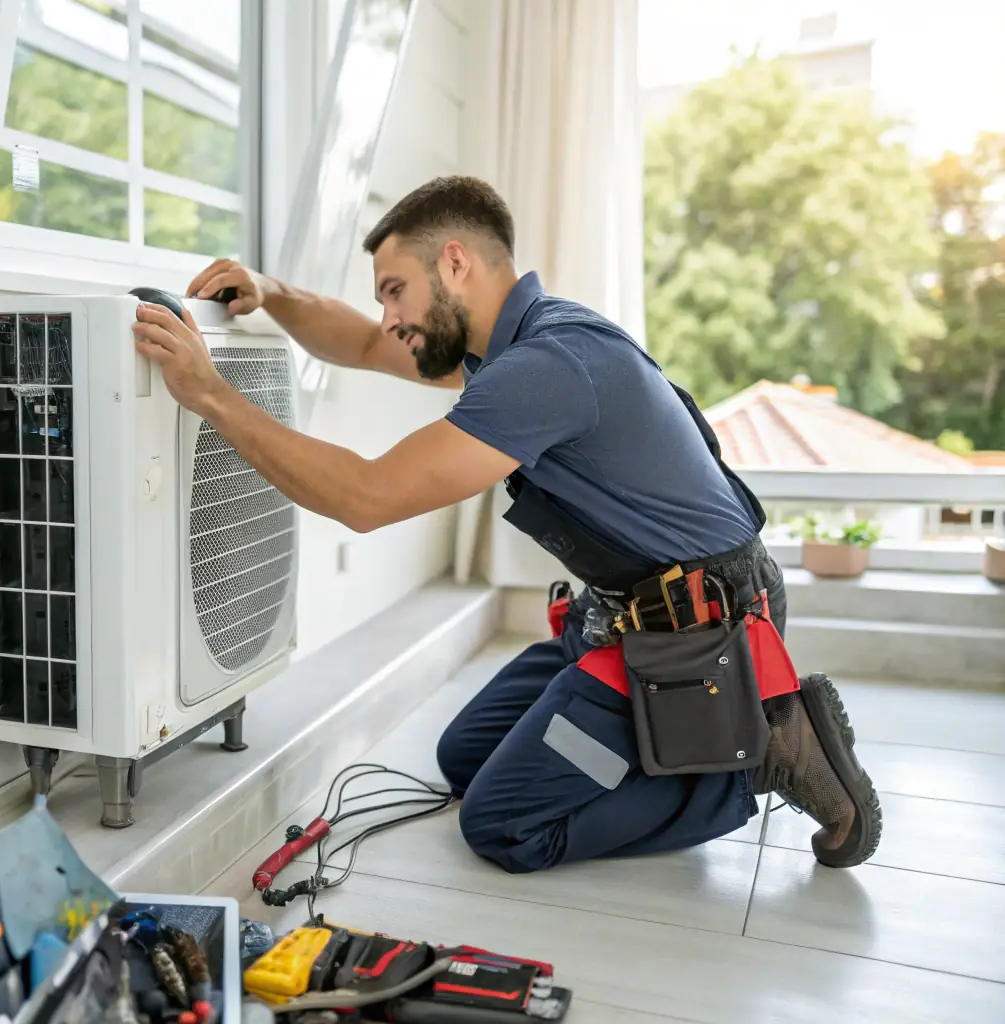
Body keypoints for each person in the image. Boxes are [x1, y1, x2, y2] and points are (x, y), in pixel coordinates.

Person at [132, 175, 882, 874]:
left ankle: (761, 754)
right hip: (625, 614)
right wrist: (270, 293)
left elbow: (366, 496)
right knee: (463, 757)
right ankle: (683, 741)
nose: (388, 317)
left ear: (453, 262)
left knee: (504, 823)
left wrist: (212, 396)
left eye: (396, 291)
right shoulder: (512, 347)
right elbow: (362, 343)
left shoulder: (548, 365)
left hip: (700, 636)